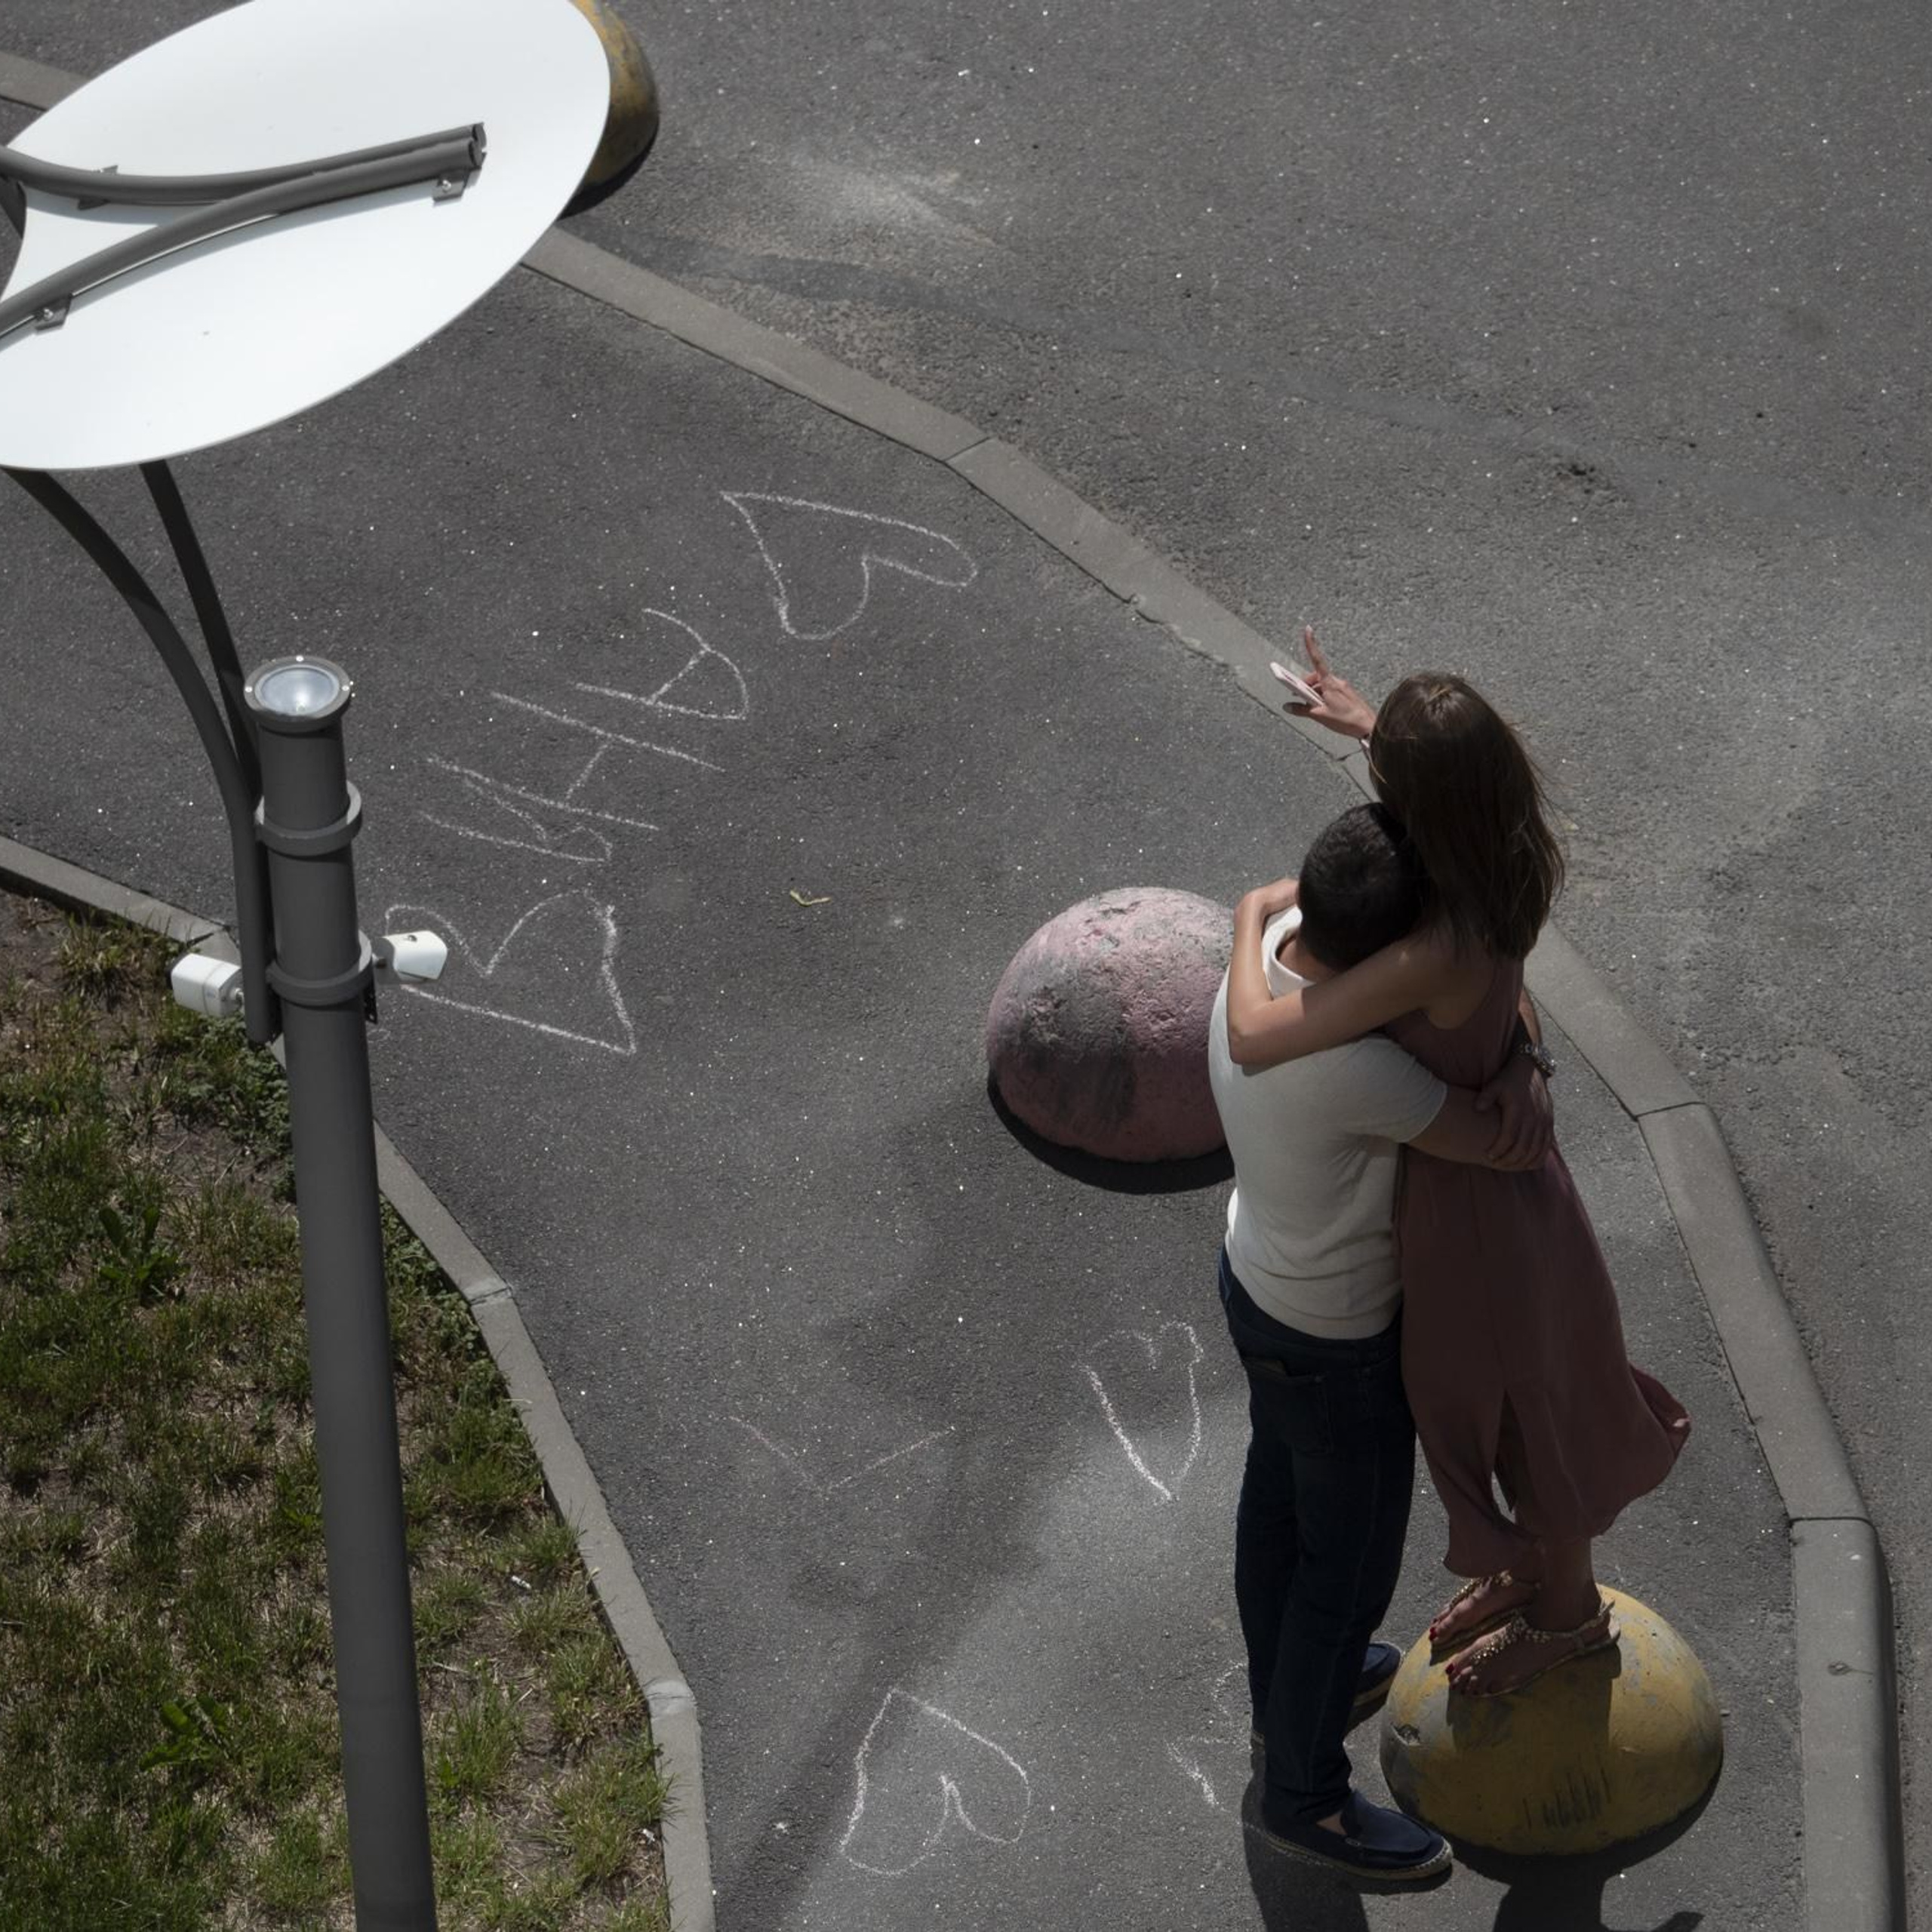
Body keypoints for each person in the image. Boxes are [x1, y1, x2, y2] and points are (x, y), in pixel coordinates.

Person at [1226, 629, 1690, 1706]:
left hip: (1469, 1209)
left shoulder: (1427, 950)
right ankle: (1533, 1573)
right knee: (1513, 1394)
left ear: (1425, 809)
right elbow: (1504, 982)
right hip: (1513, 1187)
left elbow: (1255, 1034)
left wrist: (1251, 916)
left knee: (1521, 1406)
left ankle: (1568, 1619)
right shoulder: (1503, 863)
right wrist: (1366, 725)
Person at [1208, 801, 1552, 1881]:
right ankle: (1305, 1799)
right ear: (1390, 957)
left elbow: (1267, 901)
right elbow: (1498, 1145)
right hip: (1338, 1343)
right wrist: (1527, 1067)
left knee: (1277, 1506)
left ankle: (1289, 1694)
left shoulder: (1270, 948)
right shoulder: (1358, 1067)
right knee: (1344, 1576)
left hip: (1256, 1282)